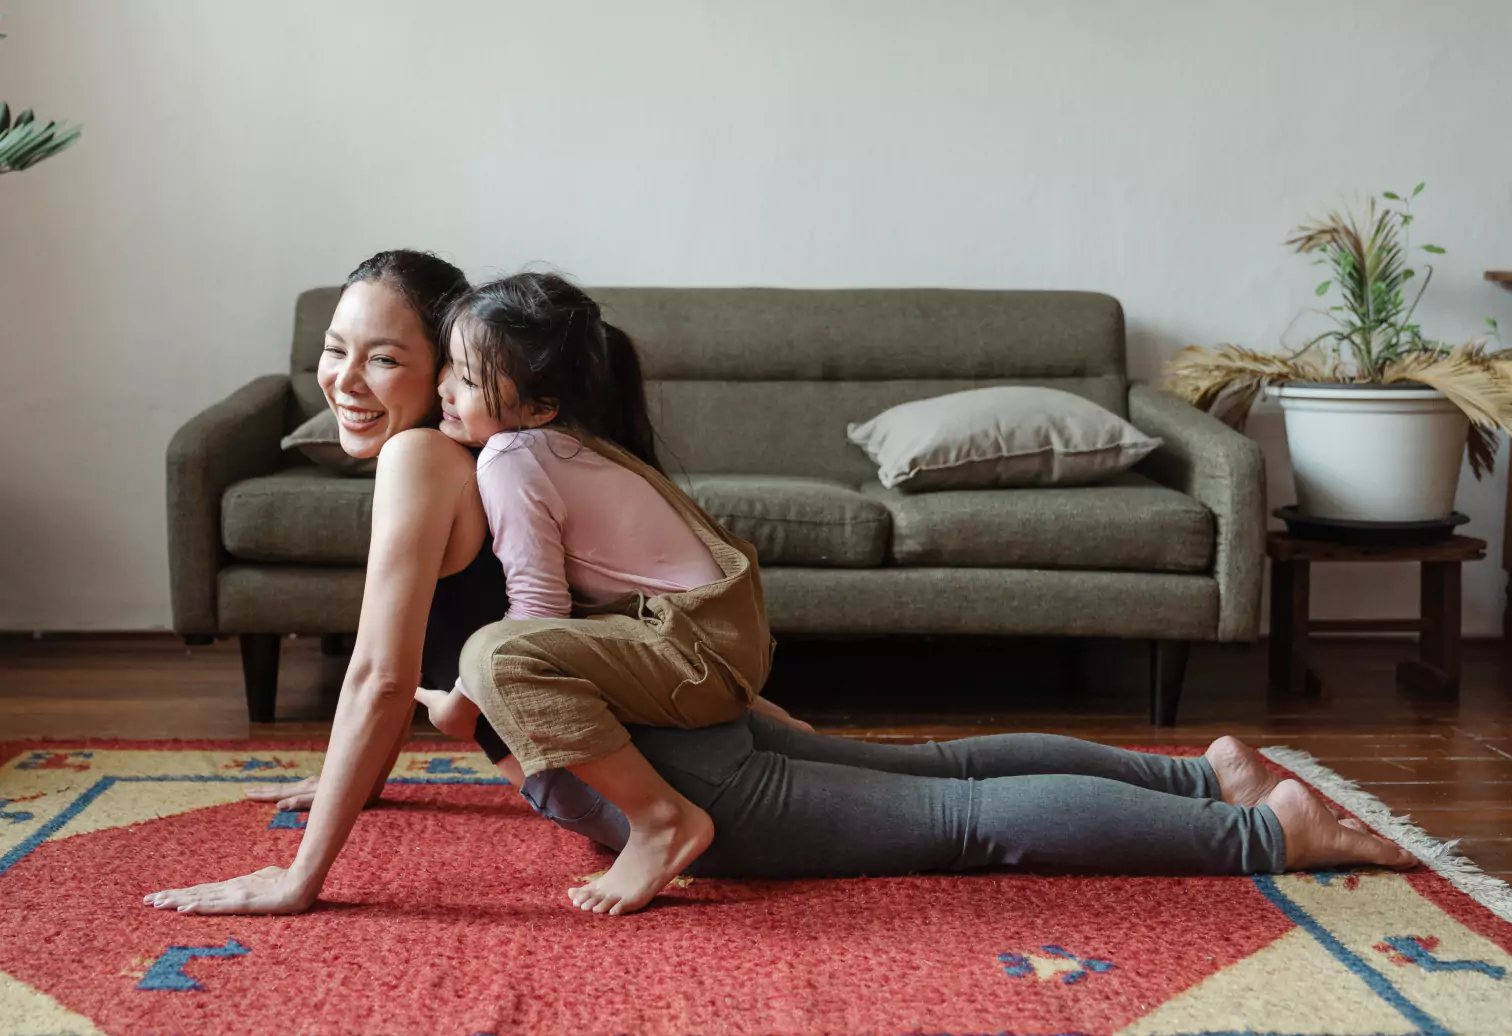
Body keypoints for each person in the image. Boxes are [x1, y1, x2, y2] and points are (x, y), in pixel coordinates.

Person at [143, 255, 1413, 919]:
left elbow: (391, 668)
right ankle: (1210, 775)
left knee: (967, 825)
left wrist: (302, 872)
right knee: (949, 773)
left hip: (675, 772)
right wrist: (363, 762)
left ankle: (1262, 831)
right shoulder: (519, 451)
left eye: (385, 357)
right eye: (331, 353)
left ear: (456, 369)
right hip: (677, 714)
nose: (347, 382)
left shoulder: (436, 457)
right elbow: (491, 654)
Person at [417, 273, 775, 915]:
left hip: (699, 657)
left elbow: (537, 613)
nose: (444, 387)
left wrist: (458, 705)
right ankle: (758, 713)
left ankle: (662, 821)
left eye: (469, 380)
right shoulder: (567, 445)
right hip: (717, 645)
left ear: (541, 406)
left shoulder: (510, 456)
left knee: (495, 654)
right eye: (450, 363)